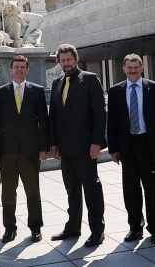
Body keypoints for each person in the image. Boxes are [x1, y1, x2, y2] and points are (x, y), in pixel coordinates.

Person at [48, 44, 107, 247]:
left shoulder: (90, 79)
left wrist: (96, 142)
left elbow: (99, 113)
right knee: (72, 190)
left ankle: (97, 230)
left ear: (76, 59)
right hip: (65, 148)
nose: (66, 63)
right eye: (63, 60)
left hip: (86, 147)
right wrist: (53, 143)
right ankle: (73, 227)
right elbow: (54, 116)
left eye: (69, 59)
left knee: (91, 189)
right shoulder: (56, 83)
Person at [107, 54, 155, 246]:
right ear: (123, 69)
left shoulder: (154, 88)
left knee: (151, 190)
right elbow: (112, 122)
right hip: (127, 146)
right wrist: (113, 148)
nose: (133, 70)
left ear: (142, 68)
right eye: (129, 67)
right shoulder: (115, 91)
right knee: (131, 190)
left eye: (136, 67)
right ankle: (135, 227)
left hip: (148, 145)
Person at [0, 55, 49, 243]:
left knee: (33, 190)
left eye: (23, 67)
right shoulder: (0, 92)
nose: (19, 70)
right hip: (7, 151)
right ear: (10, 69)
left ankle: (36, 228)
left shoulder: (37, 91)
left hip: (31, 150)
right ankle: (9, 228)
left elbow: (44, 121)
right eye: (16, 67)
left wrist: (44, 147)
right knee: (8, 190)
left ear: (27, 69)